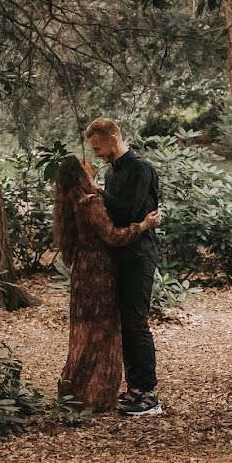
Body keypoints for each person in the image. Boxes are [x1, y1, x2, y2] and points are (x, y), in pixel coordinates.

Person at [54, 155, 161, 410]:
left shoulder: (72, 201)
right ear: (81, 172)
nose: (90, 161)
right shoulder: (90, 202)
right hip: (99, 272)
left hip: (83, 272)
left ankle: (75, 391)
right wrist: (144, 225)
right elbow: (112, 236)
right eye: (84, 162)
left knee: (84, 332)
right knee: (100, 333)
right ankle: (94, 395)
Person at [84, 118, 162, 416]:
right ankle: (134, 389)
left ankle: (149, 394)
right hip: (120, 253)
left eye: (98, 147)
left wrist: (96, 190)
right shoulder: (112, 172)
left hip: (140, 255)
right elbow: (114, 216)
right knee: (125, 325)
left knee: (136, 323)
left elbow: (130, 212)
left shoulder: (141, 168)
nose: (97, 154)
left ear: (114, 137)